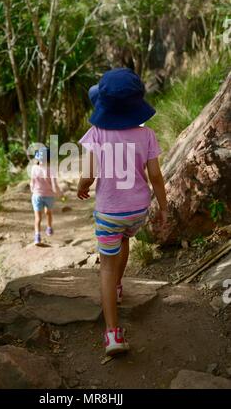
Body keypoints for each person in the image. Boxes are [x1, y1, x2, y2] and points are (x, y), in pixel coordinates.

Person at [77, 68, 168, 356]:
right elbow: (156, 176)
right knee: (125, 240)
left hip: (109, 212)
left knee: (106, 263)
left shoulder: (97, 133)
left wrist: (82, 186)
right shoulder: (147, 135)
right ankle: (118, 285)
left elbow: (89, 173)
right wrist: (163, 206)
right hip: (137, 211)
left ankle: (112, 334)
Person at [30, 147, 62, 245]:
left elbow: (32, 183)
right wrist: (60, 193)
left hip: (37, 195)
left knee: (38, 217)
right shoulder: (51, 169)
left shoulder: (34, 168)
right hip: (49, 196)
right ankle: (49, 228)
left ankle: (37, 237)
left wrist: (33, 191)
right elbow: (55, 185)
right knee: (48, 213)